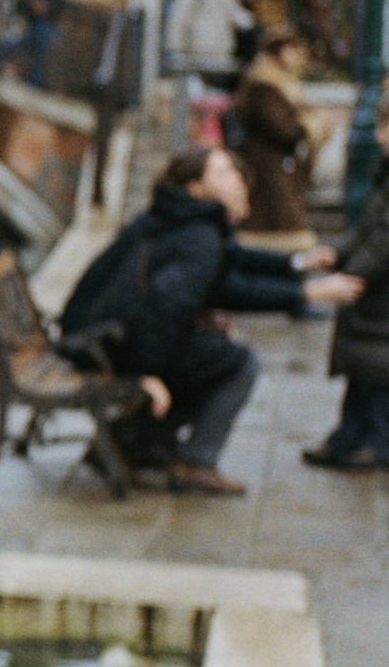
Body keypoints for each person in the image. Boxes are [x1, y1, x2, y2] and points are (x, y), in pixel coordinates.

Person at [60, 146, 360, 494]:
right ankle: (193, 462)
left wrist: (297, 266)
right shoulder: (197, 236)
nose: (236, 177)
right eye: (222, 172)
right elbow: (168, 307)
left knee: (210, 354)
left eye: (234, 170)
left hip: (99, 333)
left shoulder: (187, 220)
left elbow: (230, 267)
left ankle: (132, 440)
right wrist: (146, 375)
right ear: (196, 188)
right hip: (105, 343)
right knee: (237, 363)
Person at [306, 97, 389, 470]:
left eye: (387, 128)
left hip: (380, 292)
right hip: (372, 294)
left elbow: (385, 240)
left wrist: (354, 271)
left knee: (380, 371)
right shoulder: (384, 173)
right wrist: (338, 255)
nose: (379, 136)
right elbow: (366, 229)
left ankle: (377, 440)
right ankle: (349, 434)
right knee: (362, 368)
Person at [234, 26, 330, 252]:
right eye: (293, 50)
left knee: (280, 224)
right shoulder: (264, 84)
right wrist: (309, 125)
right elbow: (281, 127)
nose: (298, 57)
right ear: (281, 51)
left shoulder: (282, 83)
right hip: (269, 166)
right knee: (279, 225)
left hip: (279, 164)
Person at [164, 0, 254, 87]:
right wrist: (176, 51)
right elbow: (180, 14)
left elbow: (237, 16)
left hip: (220, 53)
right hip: (200, 53)